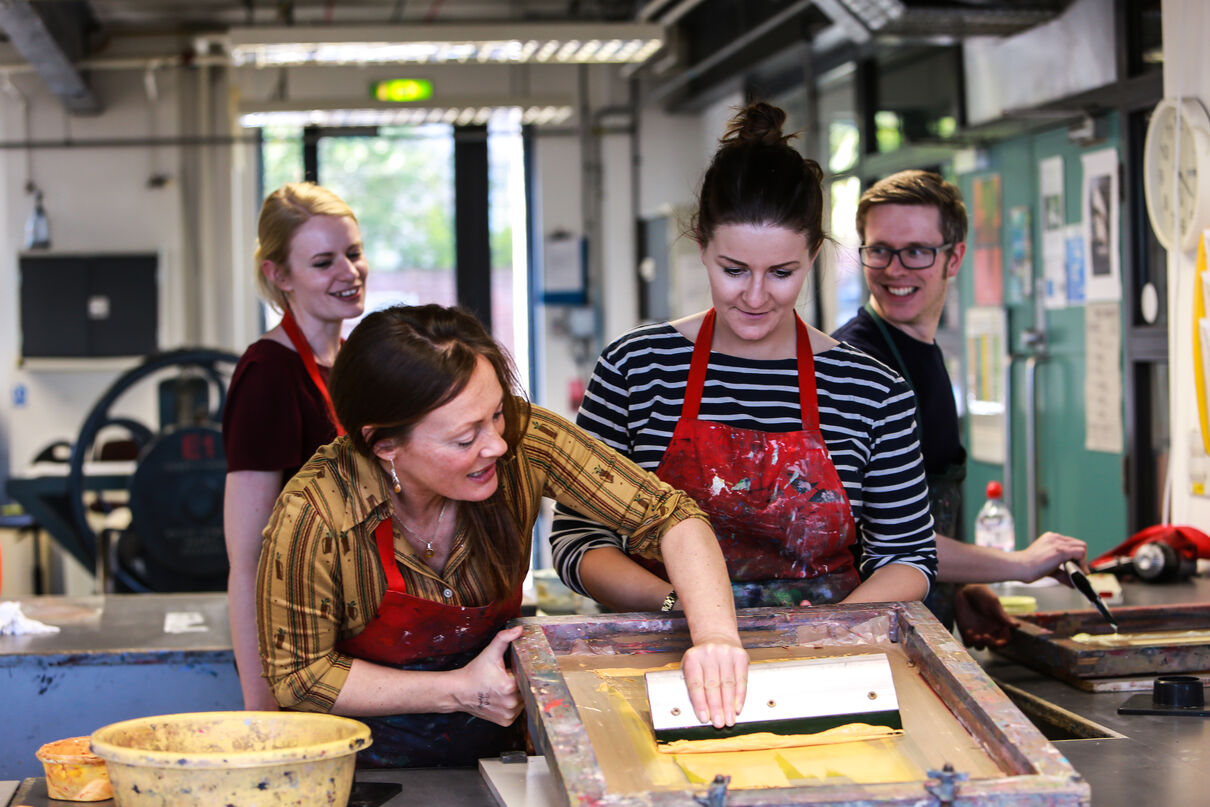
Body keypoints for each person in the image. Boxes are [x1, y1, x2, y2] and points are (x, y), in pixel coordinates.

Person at [257, 304, 749, 768]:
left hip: (499, 754)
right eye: (465, 438)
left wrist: (716, 637)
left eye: (496, 413)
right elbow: (299, 677)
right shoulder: (315, 516)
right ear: (384, 444)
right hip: (359, 770)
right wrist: (459, 689)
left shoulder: (524, 442)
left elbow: (671, 517)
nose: (496, 444)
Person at [550, 101, 937, 612]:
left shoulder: (871, 389)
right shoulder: (636, 368)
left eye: (782, 273)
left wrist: (825, 632)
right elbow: (580, 539)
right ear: (702, 248)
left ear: (813, 258)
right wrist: (687, 609)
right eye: (734, 270)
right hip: (662, 655)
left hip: (826, 663)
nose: (755, 298)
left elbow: (908, 556)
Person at [832, 169, 1087, 647]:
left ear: (954, 258)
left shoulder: (922, 352)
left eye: (917, 252)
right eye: (880, 249)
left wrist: (959, 585)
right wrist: (1019, 564)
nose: (895, 268)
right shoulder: (854, 367)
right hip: (866, 639)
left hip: (918, 627)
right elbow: (877, 535)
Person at [223, 182, 368, 710]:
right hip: (299, 650)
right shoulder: (268, 375)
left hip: (357, 634)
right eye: (324, 262)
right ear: (278, 275)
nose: (349, 273)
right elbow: (248, 559)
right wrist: (261, 707)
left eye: (353, 253)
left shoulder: (356, 366)